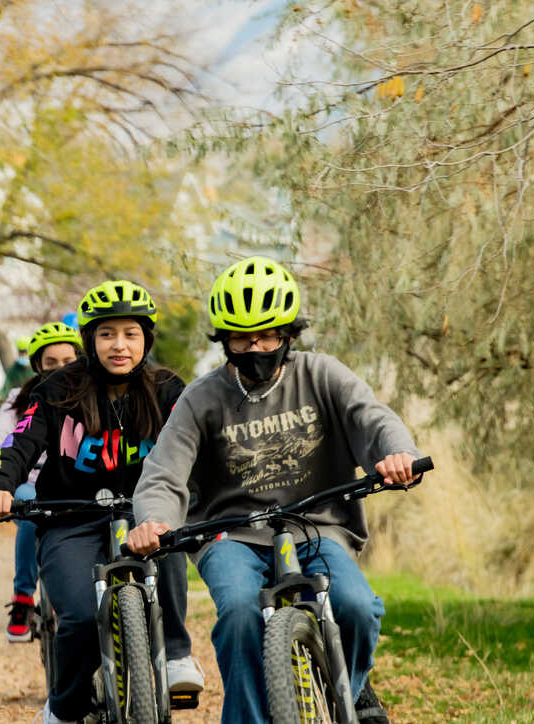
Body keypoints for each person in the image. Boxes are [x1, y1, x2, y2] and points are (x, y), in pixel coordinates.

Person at [127, 256, 419, 724]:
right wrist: (154, 521)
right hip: (232, 536)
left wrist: (397, 453)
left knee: (357, 608)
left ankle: (350, 688)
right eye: (242, 338)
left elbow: (373, 418)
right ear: (224, 340)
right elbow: (164, 472)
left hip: (318, 525)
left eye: (267, 335)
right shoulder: (201, 398)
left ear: (288, 334)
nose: (256, 347)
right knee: (241, 614)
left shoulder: (321, 374)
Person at [0, 281, 204, 724]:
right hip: (69, 519)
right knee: (81, 618)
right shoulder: (58, 388)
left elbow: (199, 444)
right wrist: (0, 482)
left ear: (147, 339)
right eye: (106, 334)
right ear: (89, 340)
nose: (118, 345)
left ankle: (176, 652)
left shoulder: (168, 389)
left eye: (130, 334)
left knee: (166, 535)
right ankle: (63, 709)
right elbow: (20, 441)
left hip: (142, 511)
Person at [0, 321, 82, 642]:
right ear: (37, 366)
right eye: (50, 363)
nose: (60, 369)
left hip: (78, 484)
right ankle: (23, 598)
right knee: (31, 512)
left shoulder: (90, 394)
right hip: (31, 480)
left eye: (68, 362)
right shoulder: (23, 398)